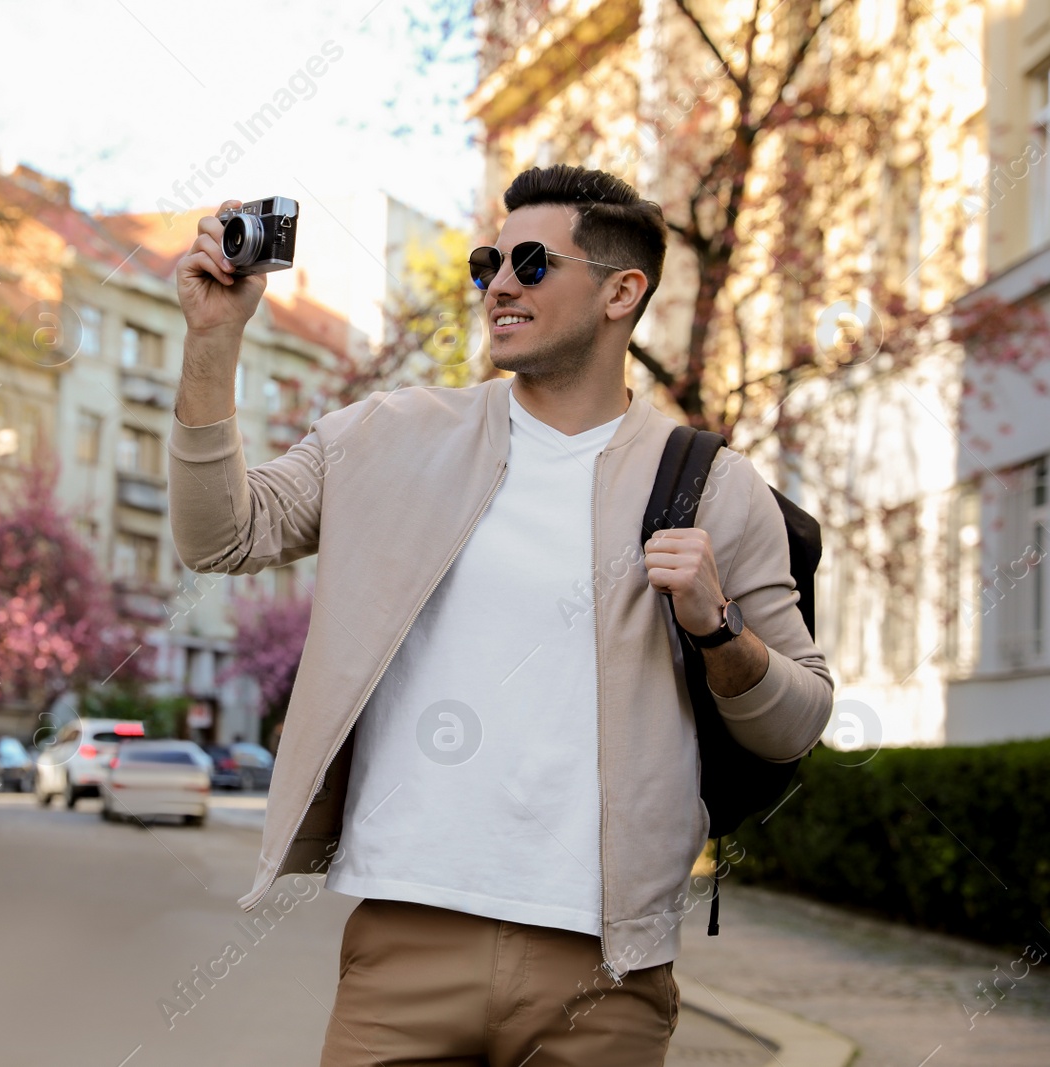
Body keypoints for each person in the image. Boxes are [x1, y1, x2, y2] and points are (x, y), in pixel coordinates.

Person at [167, 164, 833, 1066]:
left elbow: (798, 718)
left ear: (621, 292)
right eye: (489, 262)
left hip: (607, 970)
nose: (500, 284)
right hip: (405, 940)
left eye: (530, 261)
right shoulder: (388, 435)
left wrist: (720, 628)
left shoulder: (714, 485)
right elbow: (222, 536)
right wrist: (213, 340)